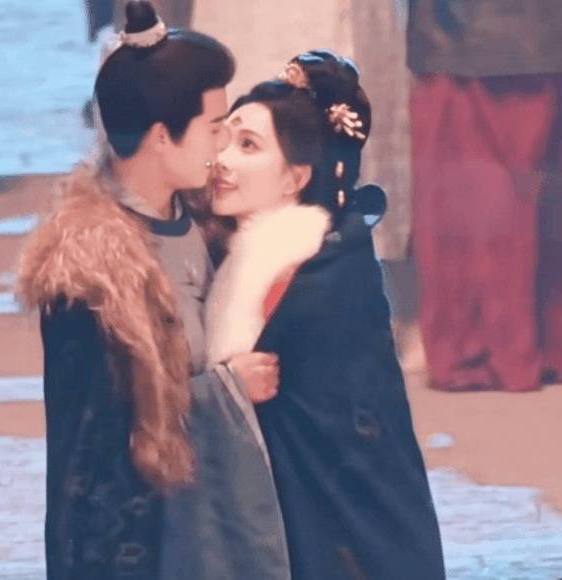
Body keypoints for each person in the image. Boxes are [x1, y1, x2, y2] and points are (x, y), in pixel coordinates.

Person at [17, 2, 289, 578]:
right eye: (213, 127)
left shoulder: (208, 221)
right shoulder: (91, 276)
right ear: (163, 137)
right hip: (145, 546)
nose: (222, 143)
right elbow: (98, 447)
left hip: (215, 523)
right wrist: (228, 391)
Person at [205, 51, 446, 579]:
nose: (222, 159)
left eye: (248, 146)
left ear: (295, 178)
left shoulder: (313, 281)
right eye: (223, 138)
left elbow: (340, 446)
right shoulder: (267, 256)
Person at [407, 0, 562, 391]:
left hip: (464, 38)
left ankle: (482, 346)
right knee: (533, 192)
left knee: (474, 197)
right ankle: (540, 342)